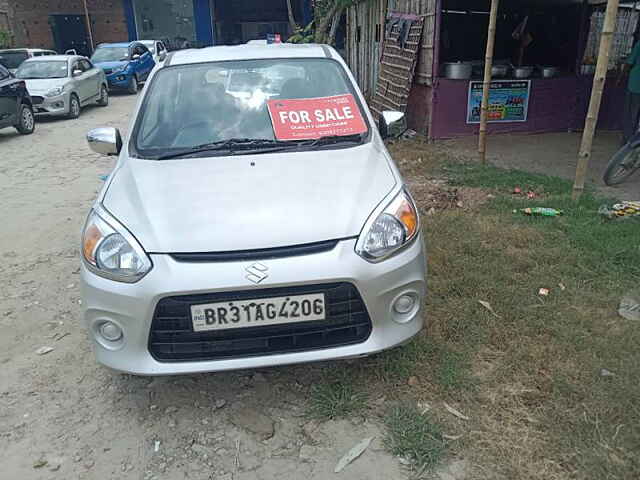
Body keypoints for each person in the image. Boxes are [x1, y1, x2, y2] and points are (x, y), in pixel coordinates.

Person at [620, 40, 640, 144]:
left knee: (630, 114)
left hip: (635, 85)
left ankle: (627, 141)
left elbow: (629, 63)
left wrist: (620, 78)